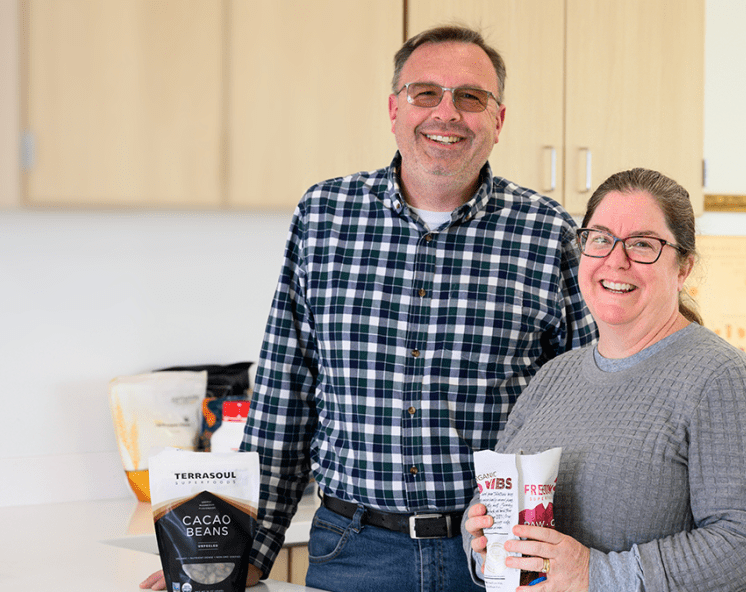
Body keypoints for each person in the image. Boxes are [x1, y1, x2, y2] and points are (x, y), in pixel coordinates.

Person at [141, 25, 596, 592]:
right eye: (425, 93)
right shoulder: (326, 216)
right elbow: (287, 390)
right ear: (393, 109)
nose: (446, 113)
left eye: (471, 97)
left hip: (497, 554)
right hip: (353, 550)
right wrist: (242, 555)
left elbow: (587, 410)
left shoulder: (548, 233)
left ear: (498, 120)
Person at [462, 168, 746, 592]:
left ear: (684, 266)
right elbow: (492, 499)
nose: (615, 261)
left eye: (642, 244)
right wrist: (485, 541)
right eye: (600, 238)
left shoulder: (722, 378)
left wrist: (596, 575)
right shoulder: (554, 376)